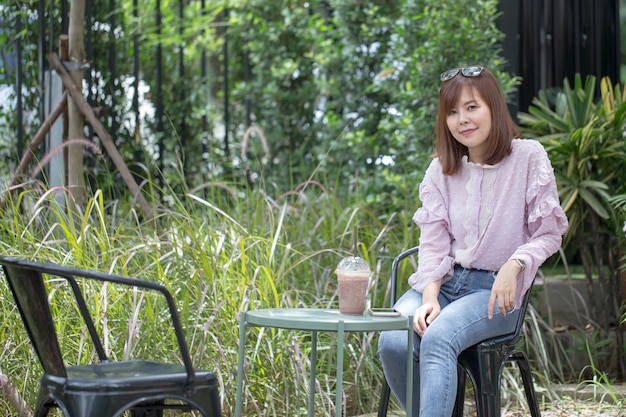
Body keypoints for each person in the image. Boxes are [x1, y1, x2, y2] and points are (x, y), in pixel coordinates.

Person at [377, 66, 568, 417]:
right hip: (445, 283)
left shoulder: (528, 156)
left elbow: (549, 232)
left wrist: (516, 264)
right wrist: (430, 298)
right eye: (452, 112)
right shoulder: (441, 170)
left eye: (471, 107)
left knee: (437, 338)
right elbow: (433, 244)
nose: (461, 119)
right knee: (392, 337)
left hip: (494, 292)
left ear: (493, 106)